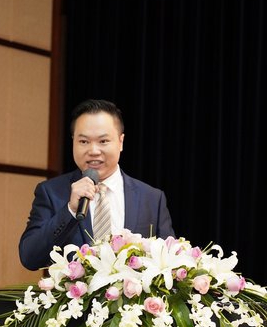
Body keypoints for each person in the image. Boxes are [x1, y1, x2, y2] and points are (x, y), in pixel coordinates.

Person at [19, 99, 175, 270]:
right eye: (84, 142)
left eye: (103, 141)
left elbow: (169, 262)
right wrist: (70, 210)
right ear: (73, 141)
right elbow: (29, 258)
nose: (93, 151)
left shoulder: (151, 199)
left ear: (121, 142)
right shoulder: (51, 192)